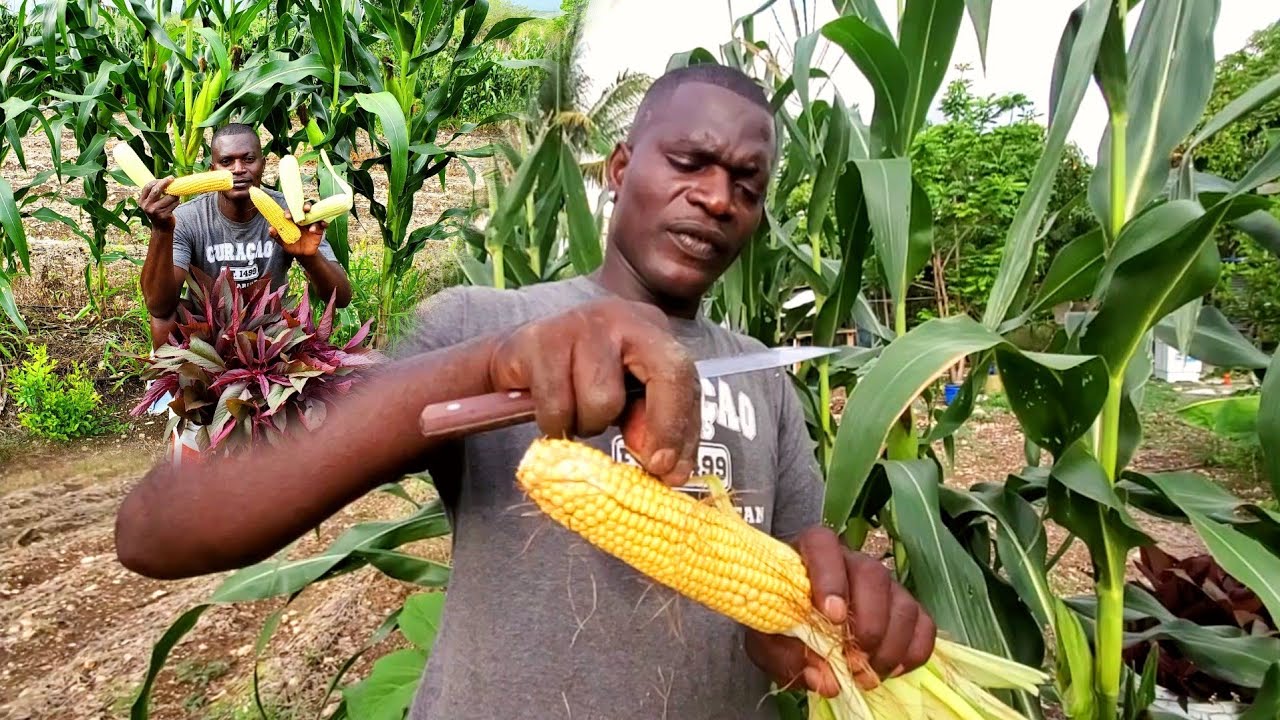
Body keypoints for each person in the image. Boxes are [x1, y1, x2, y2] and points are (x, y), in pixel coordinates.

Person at [113, 65, 936, 719]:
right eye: (690, 164)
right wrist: (492, 365)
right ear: (619, 169)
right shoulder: (479, 324)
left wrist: (823, 615)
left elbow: (793, 582)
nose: (718, 198)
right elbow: (160, 532)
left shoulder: (763, 372)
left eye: (747, 186)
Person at [136, 122, 352, 350]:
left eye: (248, 159)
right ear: (212, 170)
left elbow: (341, 298)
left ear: (263, 164)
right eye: (226, 162)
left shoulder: (290, 214)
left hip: (267, 331)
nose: (238, 169)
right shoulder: (188, 218)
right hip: (207, 330)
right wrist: (161, 230)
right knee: (165, 317)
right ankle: (173, 379)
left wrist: (310, 257)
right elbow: (158, 306)